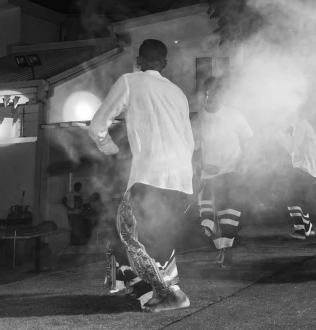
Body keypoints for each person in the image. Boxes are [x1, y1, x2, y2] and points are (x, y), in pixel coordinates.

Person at [90, 39, 194, 312]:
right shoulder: (178, 93)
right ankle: (151, 291)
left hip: (152, 173)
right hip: (180, 177)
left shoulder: (130, 81)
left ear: (138, 60)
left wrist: (110, 149)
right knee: (159, 236)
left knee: (127, 234)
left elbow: (98, 125)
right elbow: (189, 140)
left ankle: (172, 293)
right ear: (165, 63)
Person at [192, 76, 254, 266]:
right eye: (210, 94)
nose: (214, 98)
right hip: (209, 174)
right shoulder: (198, 120)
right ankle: (223, 250)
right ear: (205, 95)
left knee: (229, 214)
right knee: (210, 216)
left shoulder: (234, 115)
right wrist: (202, 165)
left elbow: (249, 140)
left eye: (218, 94)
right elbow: (192, 150)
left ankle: (227, 251)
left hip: (232, 172)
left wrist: (244, 162)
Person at [276, 109, 316, 240]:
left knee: (290, 198)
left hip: (303, 167)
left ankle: (301, 230)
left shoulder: (300, 125)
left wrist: (279, 135)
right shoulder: (302, 125)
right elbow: (296, 150)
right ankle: (308, 227)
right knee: (300, 199)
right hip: (306, 167)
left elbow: (293, 147)